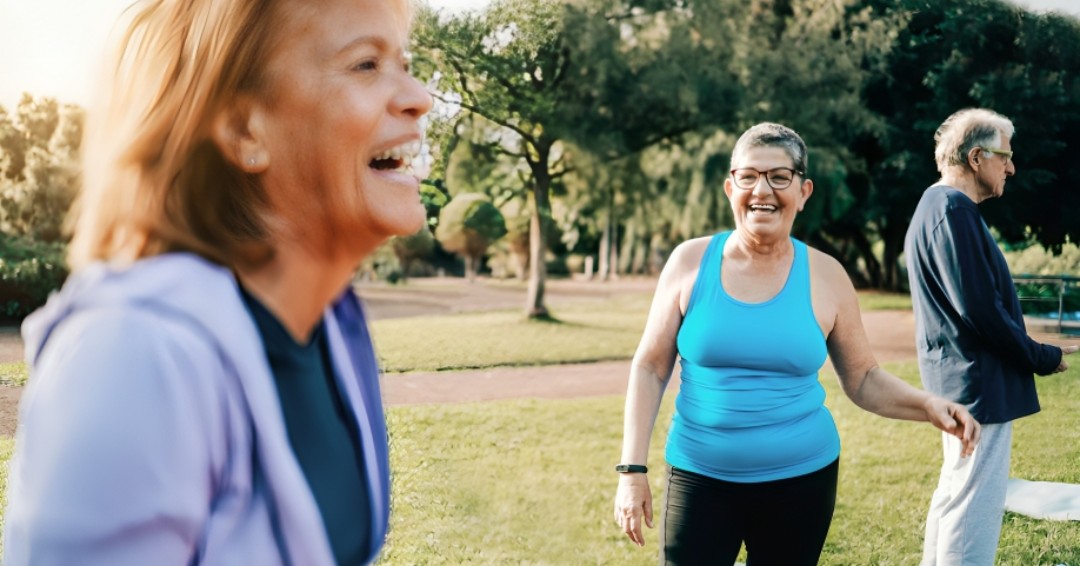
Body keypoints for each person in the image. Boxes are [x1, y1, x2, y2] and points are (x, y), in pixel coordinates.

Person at [2, 0, 432, 564]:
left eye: (403, 61)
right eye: (365, 65)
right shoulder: (134, 354)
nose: (419, 96)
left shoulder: (335, 325)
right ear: (243, 130)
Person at [612, 122, 982, 565]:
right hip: (698, 476)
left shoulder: (828, 276)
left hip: (802, 482)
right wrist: (631, 471)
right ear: (730, 187)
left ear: (804, 191)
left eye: (779, 176)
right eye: (748, 176)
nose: (761, 189)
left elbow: (863, 378)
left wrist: (927, 405)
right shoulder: (689, 262)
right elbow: (651, 367)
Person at [905, 108, 1078, 565]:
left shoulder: (938, 207)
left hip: (963, 381)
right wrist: (1041, 355)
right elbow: (982, 311)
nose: (1012, 167)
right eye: (1006, 156)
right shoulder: (951, 210)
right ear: (976, 156)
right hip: (976, 384)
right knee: (973, 505)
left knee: (955, 494)